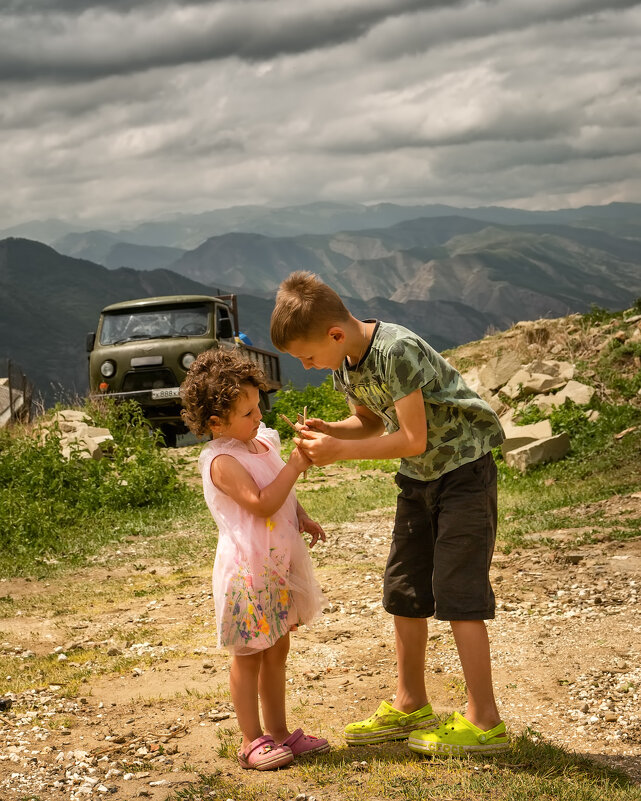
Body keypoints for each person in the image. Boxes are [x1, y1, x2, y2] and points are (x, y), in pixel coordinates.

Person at [269, 271, 509, 757]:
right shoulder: (347, 361)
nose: (308, 366)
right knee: (403, 590)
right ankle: (411, 703)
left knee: (458, 594)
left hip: (463, 473)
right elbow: (371, 422)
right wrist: (331, 429)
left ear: (335, 334)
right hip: (418, 480)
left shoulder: (395, 350)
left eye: (307, 357)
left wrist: (338, 451)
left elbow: (412, 438)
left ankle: (484, 720)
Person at [180, 348, 330, 770]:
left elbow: (280, 493)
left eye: (257, 404)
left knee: (278, 648)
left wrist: (301, 515)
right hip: (247, 574)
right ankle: (251, 739)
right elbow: (262, 503)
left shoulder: (263, 440)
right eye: (247, 412)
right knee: (248, 655)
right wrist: (299, 465)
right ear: (215, 423)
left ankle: (280, 733)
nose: (258, 415)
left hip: (277, 568)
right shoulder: (222, 461)